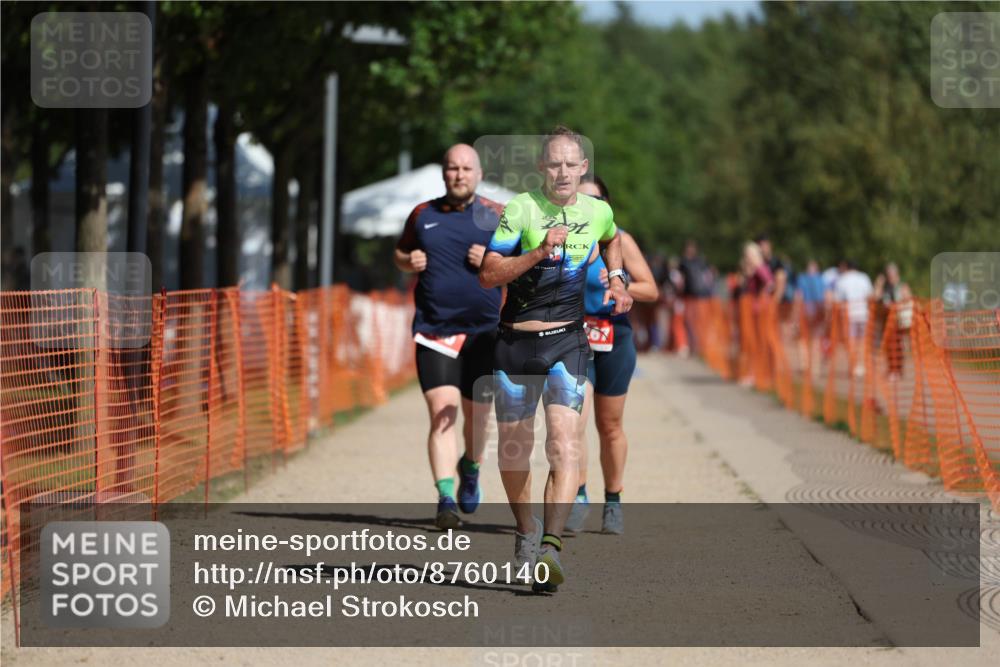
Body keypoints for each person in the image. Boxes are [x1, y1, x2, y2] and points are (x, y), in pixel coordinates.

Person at [479, 126, 632, 592]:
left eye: (572, 164)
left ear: (583, 167)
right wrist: (539, 251)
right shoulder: (520, 210)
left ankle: (550, 548)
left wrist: (618, 278)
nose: (563, 172)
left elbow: (611, 239)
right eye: (554, 164)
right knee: (514, 450)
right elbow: (489, 274)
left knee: (564, 444)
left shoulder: (598, 210)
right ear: (542, 169)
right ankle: (525, 532)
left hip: (568, 341)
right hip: (515, 343)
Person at [394, 143, 504, 529]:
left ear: (479, 174)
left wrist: (492, 259)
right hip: (435, 330)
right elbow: (400, 252)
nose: (459, 174)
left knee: (478, 421)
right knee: (442, 415)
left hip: (484, 334)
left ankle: (470, 467)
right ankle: (444, 499)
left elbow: (521, 266)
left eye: (466, 168)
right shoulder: (422, 215)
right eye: (452, 168)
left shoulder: (497, 217)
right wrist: (409, 261)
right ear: (444, 174)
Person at [566, 176, 659, 535]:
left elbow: (651, 289)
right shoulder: (565, 237)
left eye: (595, 200)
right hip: (573, 336)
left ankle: (614, 500)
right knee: (573, 420)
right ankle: (578, 495)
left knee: (610, 425)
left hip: (613, 337)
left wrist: (620, 284)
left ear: (607, 204)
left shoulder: (621, 239)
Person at [833, 259, 874, 377]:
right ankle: (861, 366)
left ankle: (854, 365)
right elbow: (870, 296)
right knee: (862, 340)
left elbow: (837, 300)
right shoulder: (864, 277)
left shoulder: (842, 279)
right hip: (863, 314)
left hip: (849, 315)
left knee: (851, 341)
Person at [873, 262, 912, 380]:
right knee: (889, 347)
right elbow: (876, 297)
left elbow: (909, 299)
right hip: (886, 320)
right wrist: (878, 284)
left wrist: (897, 306)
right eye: (888, 274)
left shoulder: (902, 286)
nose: (890, 276)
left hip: (898, 321)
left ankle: (897, 370)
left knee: (897, 346)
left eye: (892, 274)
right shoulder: (885, 287)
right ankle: (892, 369)